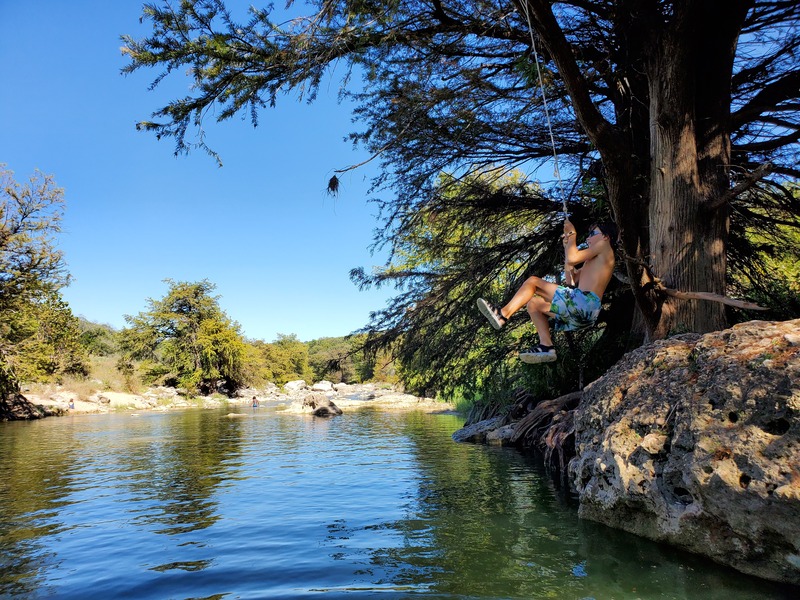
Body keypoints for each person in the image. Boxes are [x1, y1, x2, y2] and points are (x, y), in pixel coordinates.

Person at [477, 218, 617, 363]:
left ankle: (503, 314)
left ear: (606, 236)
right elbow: (571, 280)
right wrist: (567, 247)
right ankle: (547, 347)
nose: (588, 237)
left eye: (593, 233)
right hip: (585, 314)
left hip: (584, 304)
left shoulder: (605, 247)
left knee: (533, 282)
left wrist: (572, 234)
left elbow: (573, 257)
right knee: (534, 304)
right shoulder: (595, 260)